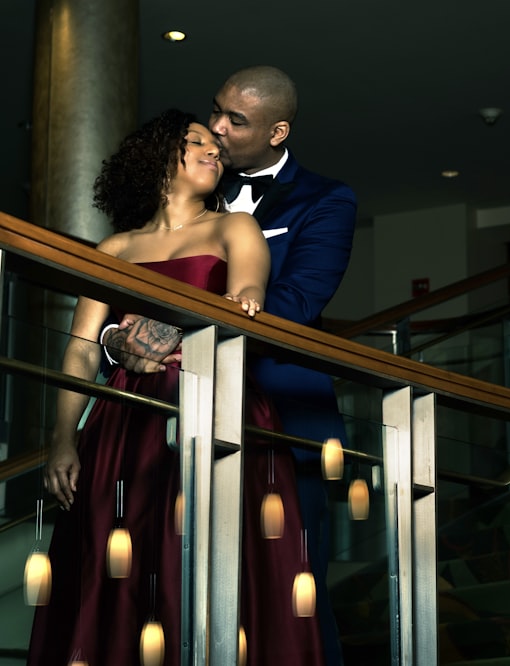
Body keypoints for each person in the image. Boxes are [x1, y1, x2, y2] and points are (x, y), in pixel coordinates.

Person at [29, 109, 325, 665]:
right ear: (161, 157)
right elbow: (81, 347)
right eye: (198, 143)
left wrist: (164, 331)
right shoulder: (114, 248)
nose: (215, 151)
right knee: (119, 562)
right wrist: (64, 437)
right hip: (123, 423)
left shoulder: (233, 227)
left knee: (211, 562)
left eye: (217, 146)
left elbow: (244, 301)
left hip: (215, 406)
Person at [102, 66, 356, 665]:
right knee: (158, 591)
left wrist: (180, 326)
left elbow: (293, 306)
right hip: (165, 426)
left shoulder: (325, 199)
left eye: (235, 121)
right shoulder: (189, 189)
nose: (215, 128)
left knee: (294, 603)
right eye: (214, 110)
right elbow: (121, 296)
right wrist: (116, 339)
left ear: (278, 131)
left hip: (279, 426)